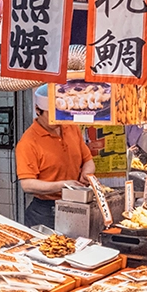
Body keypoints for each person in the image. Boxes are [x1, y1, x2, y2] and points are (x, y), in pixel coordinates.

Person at [17, 89, 95, 229]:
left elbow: (88, 159)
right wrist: (63, 185)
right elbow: (27, 184)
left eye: (59, 114)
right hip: (45, 211)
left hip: (76, 204)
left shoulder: (71, 127)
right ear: (37, 110)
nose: (57, 119)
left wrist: (86, 174)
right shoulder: (28, 142)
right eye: (52, 115)